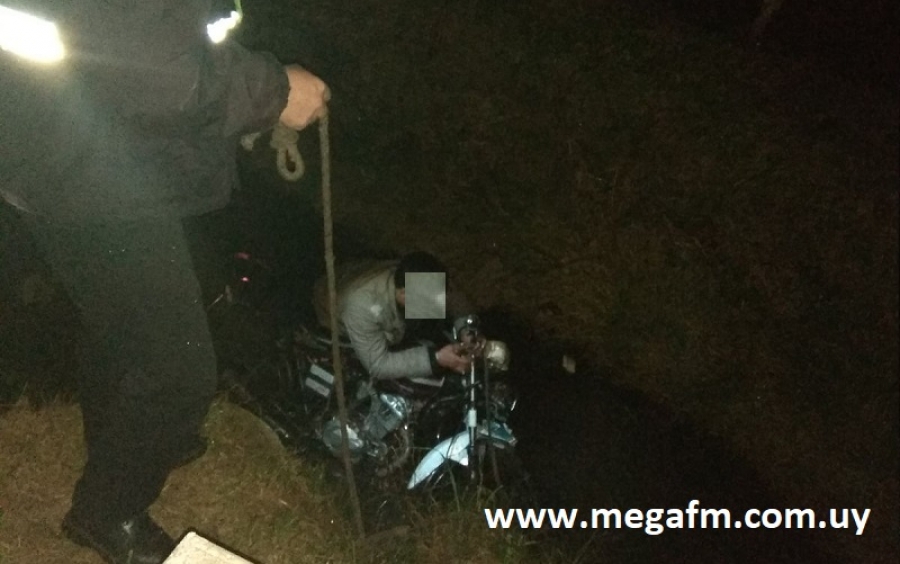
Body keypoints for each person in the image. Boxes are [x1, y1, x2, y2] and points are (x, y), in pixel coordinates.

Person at [0, 2, 329, 563]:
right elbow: (142, 60)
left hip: (88, 151)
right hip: (86, 170)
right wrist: (272, 89)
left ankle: (122, 444)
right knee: (178, 370)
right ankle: (107, 512)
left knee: (118, 329)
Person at [312, 252, 476, 381]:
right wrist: (437, 359)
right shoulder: (361, 307)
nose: (437, 304)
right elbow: (378, 365)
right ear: (404, 294)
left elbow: (453, 299)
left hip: (357, 273)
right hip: (333, 306)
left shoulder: (418, 281)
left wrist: (467, 330)